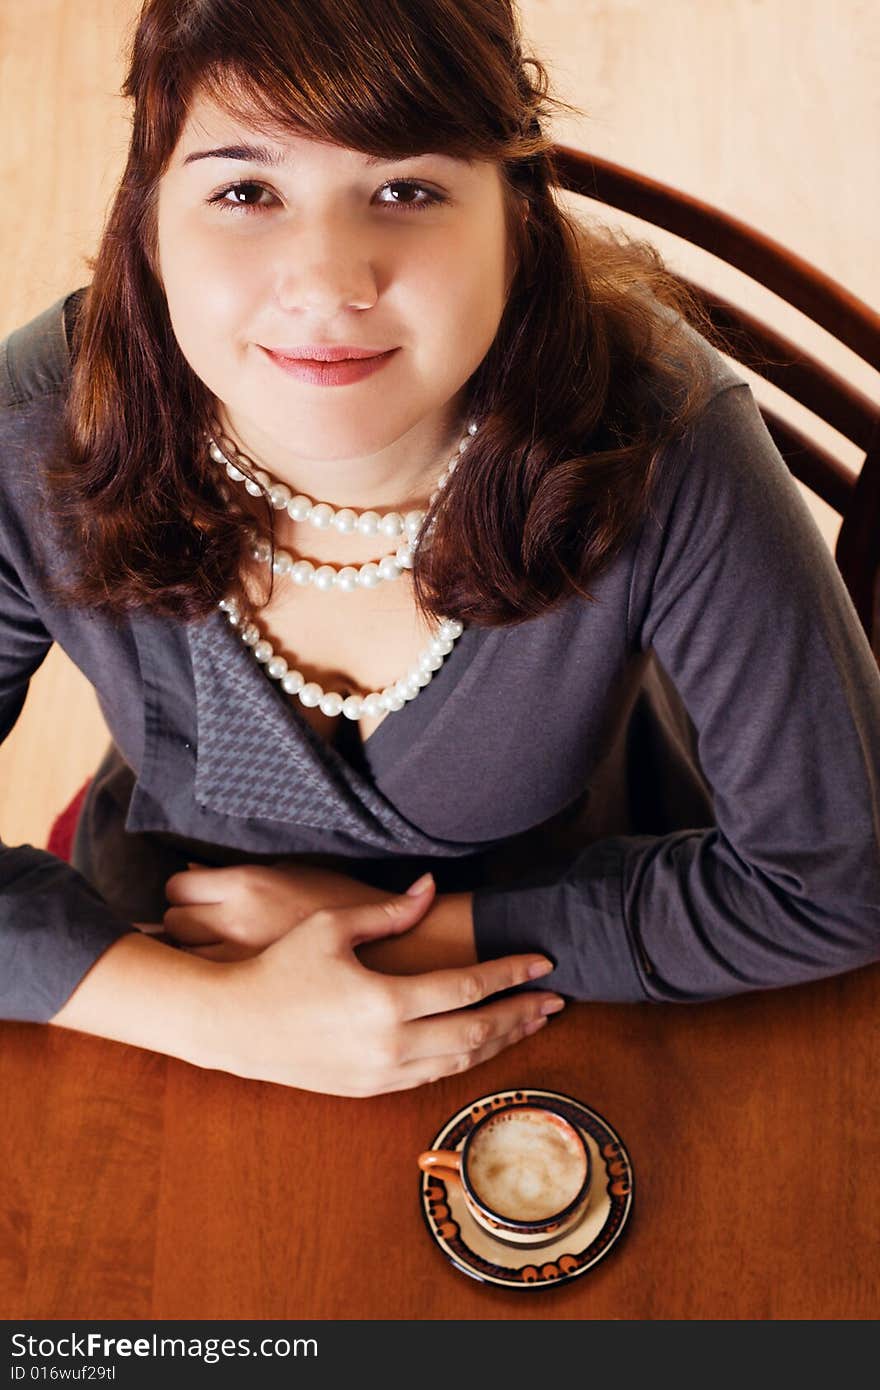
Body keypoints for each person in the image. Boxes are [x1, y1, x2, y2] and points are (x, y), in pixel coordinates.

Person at [1, 0, 878, 1097]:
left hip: (595, 936)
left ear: (515, 214)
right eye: (244, 190)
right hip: (184, 946)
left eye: (405, 189)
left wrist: (419, 935)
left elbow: (837, 880)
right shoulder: (31, 431)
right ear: (148, 217)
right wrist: (213, 1014)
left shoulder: (663, 433)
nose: (327, 284)